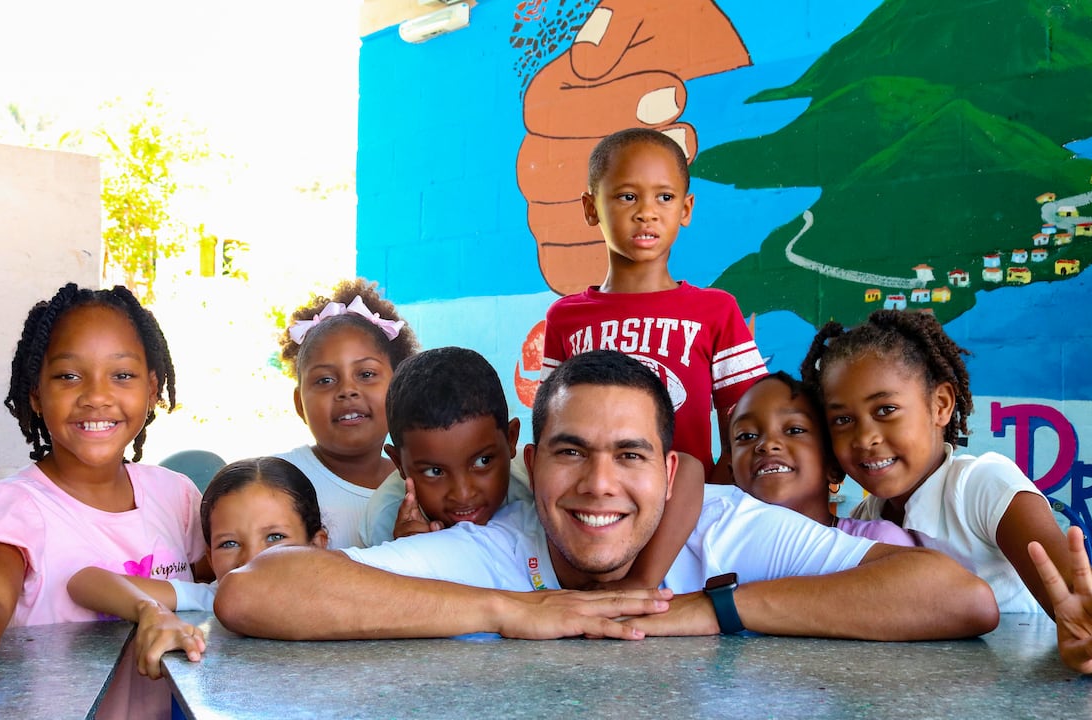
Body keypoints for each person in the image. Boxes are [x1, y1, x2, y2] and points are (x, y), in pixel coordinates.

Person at [214, 350, 1000, 646]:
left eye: (629, 456)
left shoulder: (728, 531)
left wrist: (708, 610)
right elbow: (256, 592)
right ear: (531, 462)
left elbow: (958, 599)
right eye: (570, 454)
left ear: (667, 473)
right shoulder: (501, 548)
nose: (598, 486)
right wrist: (513, 611)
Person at [0, 283, 204, 708]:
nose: (96, 396)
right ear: (35, 394)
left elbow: (214, 593)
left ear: (152, 389)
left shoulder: (176, 495)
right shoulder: (13, 509)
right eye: (68, 376)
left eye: (122, 375)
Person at [800, 309, 1092, 674]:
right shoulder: (866, 519)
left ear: (941, 405)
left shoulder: (981, 485)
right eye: (842, 420)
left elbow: (1079, 598)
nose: (865, 437)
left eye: (886, 409)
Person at [540, 128, 769, 588]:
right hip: (602, 504)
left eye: (664, 197)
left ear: (685, 210)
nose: (646, 212)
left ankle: (634, 591)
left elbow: (747, 418)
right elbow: (551, 427)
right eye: (626, 196)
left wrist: (715, 492)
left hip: (688, 504)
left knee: (685, 467)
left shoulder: (715, 310)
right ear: (591, 208)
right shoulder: (566, 317)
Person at [68, 457, 328, 679]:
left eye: (274, 537)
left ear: (317, 544)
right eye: (229, 543)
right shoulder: (212, 598)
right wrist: (150, 611)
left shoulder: (350, 591)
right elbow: (85, 581)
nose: (251, 557)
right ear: (210, 557)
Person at [274, 278, 419, 549]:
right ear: (299, 404)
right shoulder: (275, 482)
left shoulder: (426, 478)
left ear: (400, 388)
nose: (347, 390)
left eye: (366, 374)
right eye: (325, 380)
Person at [360, 347, 533, 546]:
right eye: (435, 472)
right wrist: (406, 560)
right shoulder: (384, 521)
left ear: (511, 439)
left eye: (482, 461)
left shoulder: (534, 490)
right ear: (398, 463)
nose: (463, 494)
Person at [728, 372, 914, 545]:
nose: (767, 445)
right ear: (732, 473)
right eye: (746, 436)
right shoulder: (718, 552)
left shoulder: (877, 543)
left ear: (833, 465)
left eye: (794, 430)